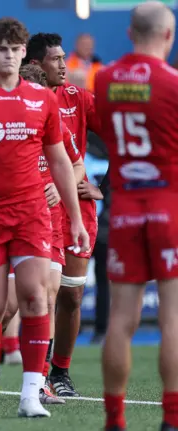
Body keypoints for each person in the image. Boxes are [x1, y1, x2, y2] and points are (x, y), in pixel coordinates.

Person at [0, 18, 89, 419]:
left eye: (15, 49)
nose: (9, 55)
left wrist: (74, 217)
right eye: (1, 48)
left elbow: (61, 160)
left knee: (38, 298)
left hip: (33, 214)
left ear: (24, 54)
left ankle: (30, 393)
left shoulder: (41, 99)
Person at [93, 2, 178, 429]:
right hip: (169, 206)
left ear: (129, 33)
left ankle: (115, 420)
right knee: (173, 318)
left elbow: (108, 136)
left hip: (124, 208)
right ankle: (172, 419)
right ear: (169, 35)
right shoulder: (174, 83)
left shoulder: (105, 79)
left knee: (120, 322)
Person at [24, 32, 103, 398]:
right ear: (37, 64)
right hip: (31, 210)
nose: (64, 65)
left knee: (70, 296)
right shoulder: (23, 99)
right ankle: (25, 373)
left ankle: (59, 373)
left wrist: (105, 185)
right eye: (56, 59)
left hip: (74, 211)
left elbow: (119, 138)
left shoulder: (77, 98)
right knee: (29, 297)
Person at [17, 63, 86, 406]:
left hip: (49, 224)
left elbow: (76, 164)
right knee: (2, 308)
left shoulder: (52, 119)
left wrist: (63, 189)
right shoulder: (3, 123)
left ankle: (39, 381)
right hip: (10, 220)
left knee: (49, 295)